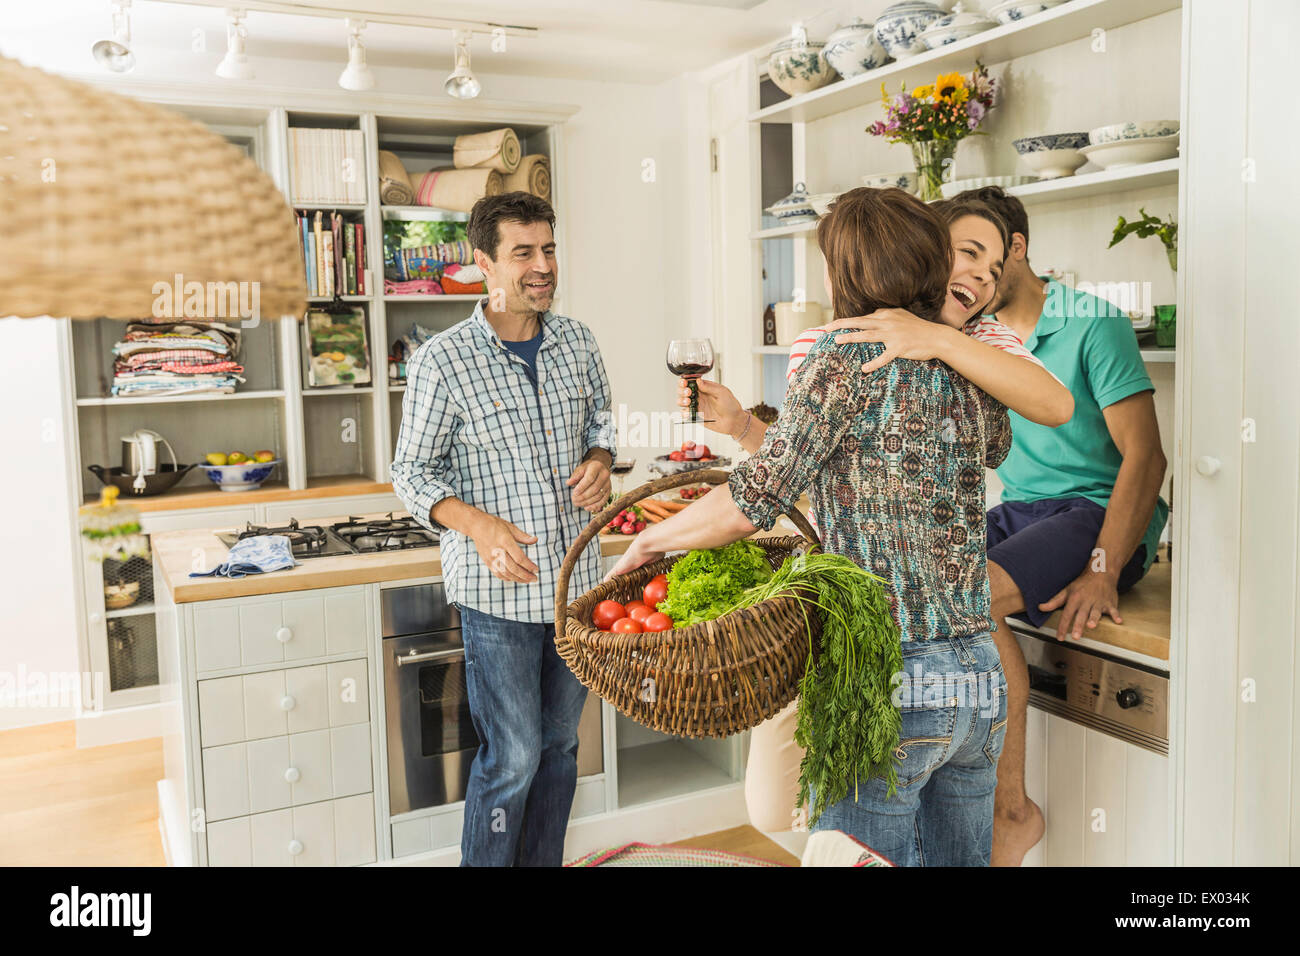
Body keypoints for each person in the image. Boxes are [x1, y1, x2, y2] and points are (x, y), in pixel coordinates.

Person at [609, 187, 1010, 866]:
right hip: (978, 676)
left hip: (890, 675)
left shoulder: (838, 355)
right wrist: (742, 425)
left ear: (842, 274)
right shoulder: (969, 361)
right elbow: (960, 450)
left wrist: (649, 538)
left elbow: (751, 501)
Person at [680, 199, 1074, 834]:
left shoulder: (976, 343)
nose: (979, 276)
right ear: (923, 249)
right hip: (968, 668)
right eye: (967, 253)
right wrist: (742, 427)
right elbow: (823, 463)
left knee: (844, 838)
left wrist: (939, 339)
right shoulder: (853, 346)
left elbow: (1056, 405)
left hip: (885, 657)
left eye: (994, 266)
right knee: (786, 804)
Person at [832, 185, 1169, 866]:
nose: (966, 275)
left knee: (967, 596)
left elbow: (1147, 456)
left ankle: (1010, 809)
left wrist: (1103, 570)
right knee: (925, 586)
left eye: (980, 257)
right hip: (1021, 509)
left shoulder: (1090, 322)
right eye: (955, 256)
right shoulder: (969, 334)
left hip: (1093, 513)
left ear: (1016, 250)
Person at [390, 191, 616, 867]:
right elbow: (411, 473)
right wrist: (478, 526)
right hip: (499, 594)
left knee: (561, 747)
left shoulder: (578, 342)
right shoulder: (444, 360)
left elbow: (602, 427)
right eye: (524, 253)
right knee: (512, 757)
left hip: (576, 588)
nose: (542, 266)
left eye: (548, 249)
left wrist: (602, 462)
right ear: (483, 262)